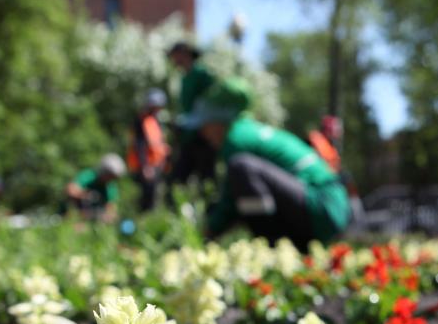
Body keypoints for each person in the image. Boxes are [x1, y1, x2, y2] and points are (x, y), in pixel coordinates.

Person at [181, 80, 350, 246]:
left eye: (204, 126)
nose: (203, 134)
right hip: (326, 205)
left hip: (321, 204)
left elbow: (230, 200)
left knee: (240, 167)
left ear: (218, 121)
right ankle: (287, 245)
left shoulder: (235, 138)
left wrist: (208, 233)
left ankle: (270, 245)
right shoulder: (246, 129)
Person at [167, 41, 217, 183]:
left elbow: (208, 105)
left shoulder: (202, 74)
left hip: (203, 135)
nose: (173, 60)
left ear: (184, 54)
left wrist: (188, 121)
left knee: (207, 180)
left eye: (175, 56)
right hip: (188, 136)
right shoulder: (184, 78)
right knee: (177, 179)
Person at [126, 88, 170, 210]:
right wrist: (145, 166)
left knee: (155, 195)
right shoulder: (141, 120)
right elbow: (139, 145)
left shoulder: (155, 120)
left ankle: (150, 218)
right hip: (146, 166)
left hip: (156, 165)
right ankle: (144, 220)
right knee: (146, 196)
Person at [65, 154, 125, 222]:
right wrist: (86, 195)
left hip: (94, 219)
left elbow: (111, 209)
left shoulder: (111, 187)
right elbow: (70, 189)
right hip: (76, 214)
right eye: (110, 176)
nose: (111, 179)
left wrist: (108, 216)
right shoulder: (90, 176)